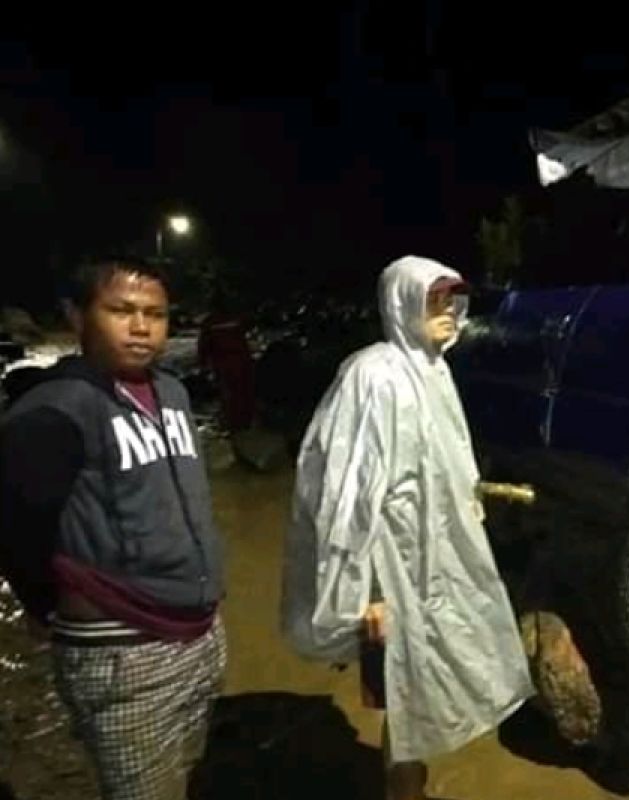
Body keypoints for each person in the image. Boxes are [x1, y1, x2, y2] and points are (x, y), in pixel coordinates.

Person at [281, 255, 534, 800]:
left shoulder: (434, 370)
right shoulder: (374, 376)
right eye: (433, 300)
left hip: (434, 556)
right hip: (388, 564)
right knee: (398, 672)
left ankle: (408, 775)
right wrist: (365, 589)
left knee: (430, 669)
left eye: (451, 299)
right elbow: (346, 493)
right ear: (402, 303)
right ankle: (402, 785)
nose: (447, 312)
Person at [0, 255, 227, 800]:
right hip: (122, 654)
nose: (142, 327)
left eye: (156, 313)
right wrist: (48, 604)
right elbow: (14, 525)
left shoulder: (173, 392)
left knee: (187, 775)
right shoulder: (54, 411)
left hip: (200, 634)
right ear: (77, 316)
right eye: (121, 310)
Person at [196, 286, 255, 432]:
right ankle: (244, 420)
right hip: (239, 361)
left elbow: (204, 346)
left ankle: (233, 422)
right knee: (243, 391)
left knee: (228, 394)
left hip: (223, 363)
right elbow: (244, 340)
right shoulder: (235, 319)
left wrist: (203, 365)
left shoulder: (210, 322)